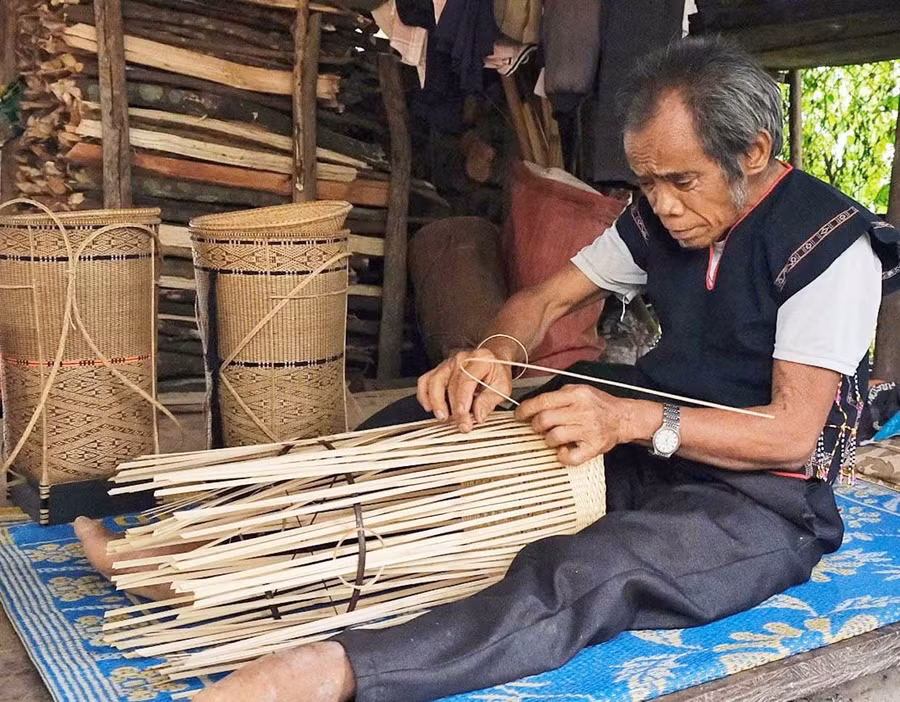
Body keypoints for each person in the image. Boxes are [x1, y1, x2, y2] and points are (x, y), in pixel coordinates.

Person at [78, 36, 900, 702]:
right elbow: (541, 301)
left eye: (681, 181)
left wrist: (629, 419)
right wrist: (497, 354)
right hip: (644, 434)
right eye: (647, 183)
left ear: (753, 151)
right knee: (428, 426)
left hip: (758, 499)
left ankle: (337, 671)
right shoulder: (660, 218)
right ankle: (200, 545)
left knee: (589, 573)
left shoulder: (827, 246)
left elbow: (792, 433)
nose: (663, 205)